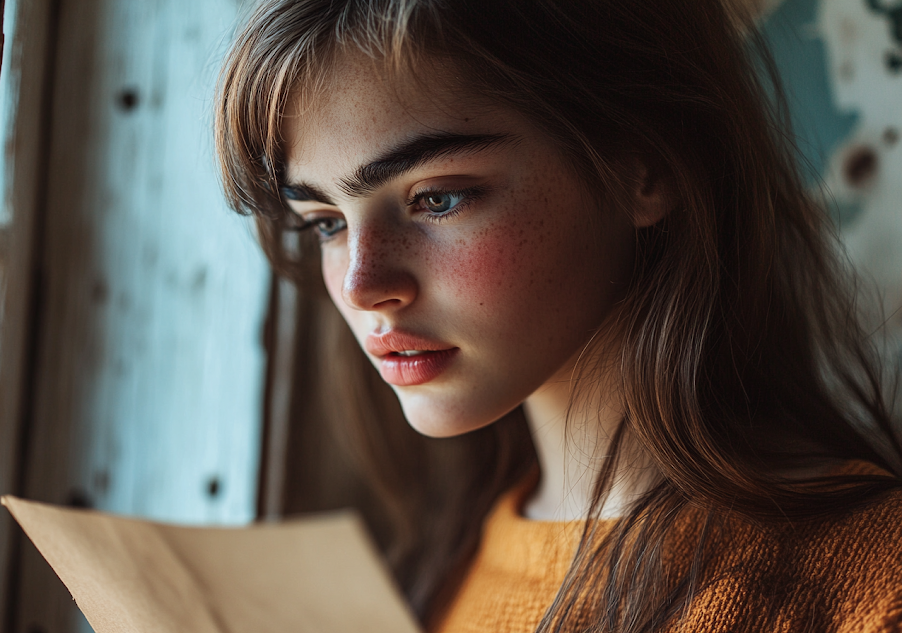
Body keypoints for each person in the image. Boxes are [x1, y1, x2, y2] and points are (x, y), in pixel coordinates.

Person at [214, 0, 902, 631]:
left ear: (646, 166)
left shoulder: (872, 581)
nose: (364, 285)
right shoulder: (441, 571)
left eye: (438, 198)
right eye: (326, 222)